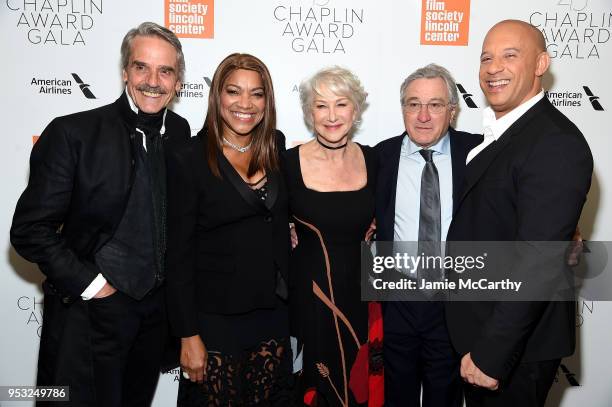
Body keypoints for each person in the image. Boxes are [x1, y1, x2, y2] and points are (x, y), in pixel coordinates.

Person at [10, 22, 190, 406]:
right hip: (89, 315)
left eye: (166, 71)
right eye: (142, 67)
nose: (153, 81)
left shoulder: (180, 131)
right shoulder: (73, 133)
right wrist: (95, 287)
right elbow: (30, 229)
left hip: (153, 319)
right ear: (125, 71)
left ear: (178, 81)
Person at [444, 20, 593, 406]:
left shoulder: (554, 141)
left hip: (512, 351)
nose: (494, 68)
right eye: (486, 58)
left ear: (541, 63)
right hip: (485, 336)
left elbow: (538, 263)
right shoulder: (506, 132)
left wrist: (492, 355)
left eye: (511, 55)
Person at [165, 53, 292, 406]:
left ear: (267, 100)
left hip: (271, 312)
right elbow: (177, 255)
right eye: (234, 92)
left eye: (257, 94)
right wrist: (188, 334)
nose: (245, 104)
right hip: (213, 317)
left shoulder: (275, 146)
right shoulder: (188, 158)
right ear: (217, 96)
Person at [375, 64, 482, 407]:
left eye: (435, 105)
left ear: (453, 110)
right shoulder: (379, 157)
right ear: (402, 108)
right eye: (413, 104)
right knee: (396, 397)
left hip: (454, 305)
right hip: (397, 301)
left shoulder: (479, 154)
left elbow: (520, 194)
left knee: (445, 398)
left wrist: (567, 226)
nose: (423, 115)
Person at [283, 66, 383, 407]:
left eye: (341, 104)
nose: (331, 116)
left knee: (358, 389)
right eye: (321, 105)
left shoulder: (376, 160)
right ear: (310, 112)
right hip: (310, 302)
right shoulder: (286, 163)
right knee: (314, 388)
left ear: (355, 110)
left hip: (363, 300)